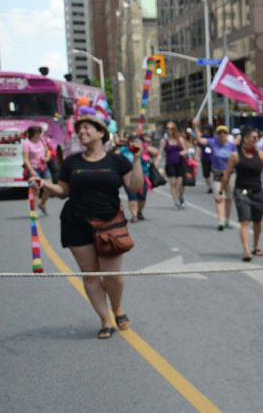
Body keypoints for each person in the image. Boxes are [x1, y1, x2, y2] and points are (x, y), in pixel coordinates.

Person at [29, 113, 144, 339]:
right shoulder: (72, 162)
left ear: (101, 133)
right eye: (79, 131)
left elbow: (135, 186)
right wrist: (45, 185)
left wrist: (138, 158)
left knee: (112, 276)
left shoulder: (117, 160)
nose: (82, 133)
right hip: (76, 223)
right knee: (90, 275)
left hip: (109, 223)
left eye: (87, 129)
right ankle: (105, 319)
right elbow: (64, 192)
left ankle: (117, 306)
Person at [218, 128, 263, 261]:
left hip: (258, 192)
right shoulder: (235, 156)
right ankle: (246, 250)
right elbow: (227, 174)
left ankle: (255, 246)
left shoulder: (261, 155)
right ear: (246, 139)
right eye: (254, 138)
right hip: (242, 192)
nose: (256, 141)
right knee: (245, 221)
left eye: (257, 138)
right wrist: (220, 192)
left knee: (257, 222)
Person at [199, 125, 237, 230]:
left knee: (229, 197)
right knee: (219, 197)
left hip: (229, 174)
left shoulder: (231, 146)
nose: (222, 135)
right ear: (216, 135)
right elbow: (199, 140)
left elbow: (237, 159)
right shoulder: (213, 143)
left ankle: (228, 220)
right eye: (219, 133)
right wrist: (196, 126)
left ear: (227, 134)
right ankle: (220, 220)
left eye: (224, 133)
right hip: (217, 173)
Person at [22, 126, 53, 216]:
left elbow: (48, 151)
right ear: (31, 135)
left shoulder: (42, 141)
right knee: (36, 190)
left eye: (39, 135)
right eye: (35, 136)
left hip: (43, 167)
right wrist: (31, 170)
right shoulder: (27, 144)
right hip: (34, 169)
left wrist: (47, 158)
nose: (37, 138)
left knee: (49, 188)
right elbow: (25, 159)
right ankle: (35, 210)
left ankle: (42, 204)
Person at [161, 121, 188, 209]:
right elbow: (160, 153)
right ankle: (176, 201)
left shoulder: (180, 139)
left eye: (171, 128)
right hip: (170, 164)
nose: (170, 130)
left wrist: (182, 153)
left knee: (180, 184)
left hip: (180, 164)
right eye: (168, 128)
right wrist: (156, 164)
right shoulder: (164, 141)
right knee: (173, 184)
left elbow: (186, 150)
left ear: (175, 129)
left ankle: (180, 197)